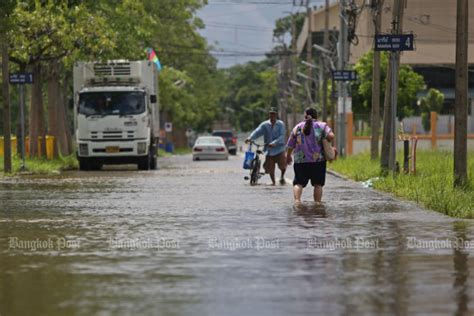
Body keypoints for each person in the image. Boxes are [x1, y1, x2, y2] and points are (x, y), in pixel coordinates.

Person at [286, 107, 335, 204]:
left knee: (298, 183)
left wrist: (288, 156)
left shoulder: (297, 127)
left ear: (305, 116)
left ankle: (297, 202)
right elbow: (331, 136)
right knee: (318, 184)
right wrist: (325, 139)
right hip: (318, 161)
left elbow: (290, 144)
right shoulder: (322, 126)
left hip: (300, 161)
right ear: (316, 116)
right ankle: (317, 204)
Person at [245, 108, 287, 185]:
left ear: (276, 115)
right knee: (270, 168)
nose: (272, 115)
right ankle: (273, 183)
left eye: (273, 114)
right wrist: (249, 138)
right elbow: (257, 132)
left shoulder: (280, 124)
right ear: (269, 115)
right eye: (271, 114)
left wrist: (274, 143)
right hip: (269, 149)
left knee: (282, 165)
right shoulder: (265, 124)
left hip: (279, 149)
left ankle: (282, 176)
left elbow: (282, 136)